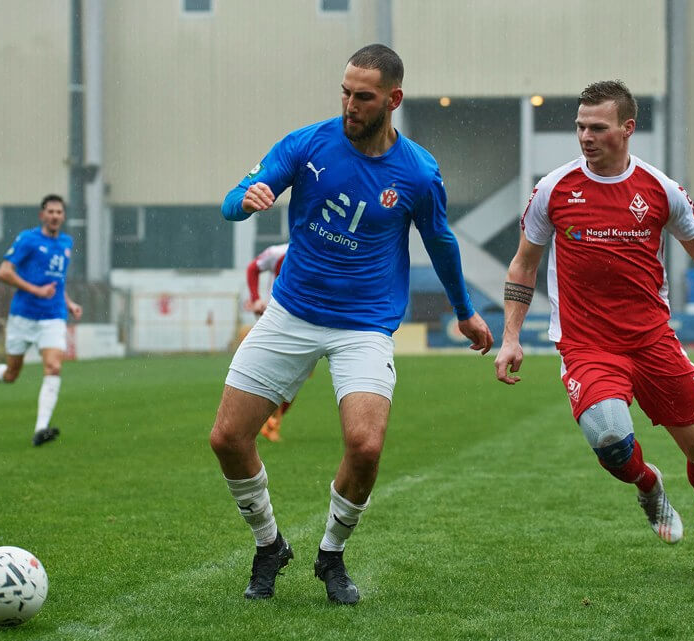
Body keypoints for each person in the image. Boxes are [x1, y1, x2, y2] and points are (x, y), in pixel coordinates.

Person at [210, 44, 493, 605]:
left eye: (363, 96)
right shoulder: (307, 143)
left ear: (393, 99)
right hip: (291, 313)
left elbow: (440, 242)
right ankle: (269, 545)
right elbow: (229, 202)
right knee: (226, 439)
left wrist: (464, 311)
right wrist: (247, 199)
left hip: (363, 326)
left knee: (365, 447)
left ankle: (331, 555)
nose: (349, 105)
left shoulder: (418, 172)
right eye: (344, 92)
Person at [494, 80, 694, 579]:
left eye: (597, 127)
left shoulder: (659, 189)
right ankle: (647, 483)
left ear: (627, 128)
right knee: (610, 438)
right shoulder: (553, 190)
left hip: (652, 340)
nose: (585, 137)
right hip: (587, 344)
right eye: (580, 127)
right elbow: (524, 264)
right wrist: (510, 337)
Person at [0, 194, 83, 447]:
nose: (55, 216)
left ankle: (41, 429)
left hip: (53, 316)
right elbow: (3, 272)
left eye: (59, 212)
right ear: (42, 215)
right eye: (50, 212)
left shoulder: (66, 242)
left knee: (53, 367)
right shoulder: (28, 239)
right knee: (12, 374)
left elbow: (57, 282)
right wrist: (35, 290)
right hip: (23, 316)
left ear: (63, 216)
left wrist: (69, 303)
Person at [245, 242, 292, 442]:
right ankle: (263, 422)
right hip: (275, 320)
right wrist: (256, 298)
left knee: (294, 378)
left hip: (305, 323)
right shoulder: (278, 253)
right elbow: (253, 268)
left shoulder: (322, 251)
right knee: (270, 374)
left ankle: (269, 421)